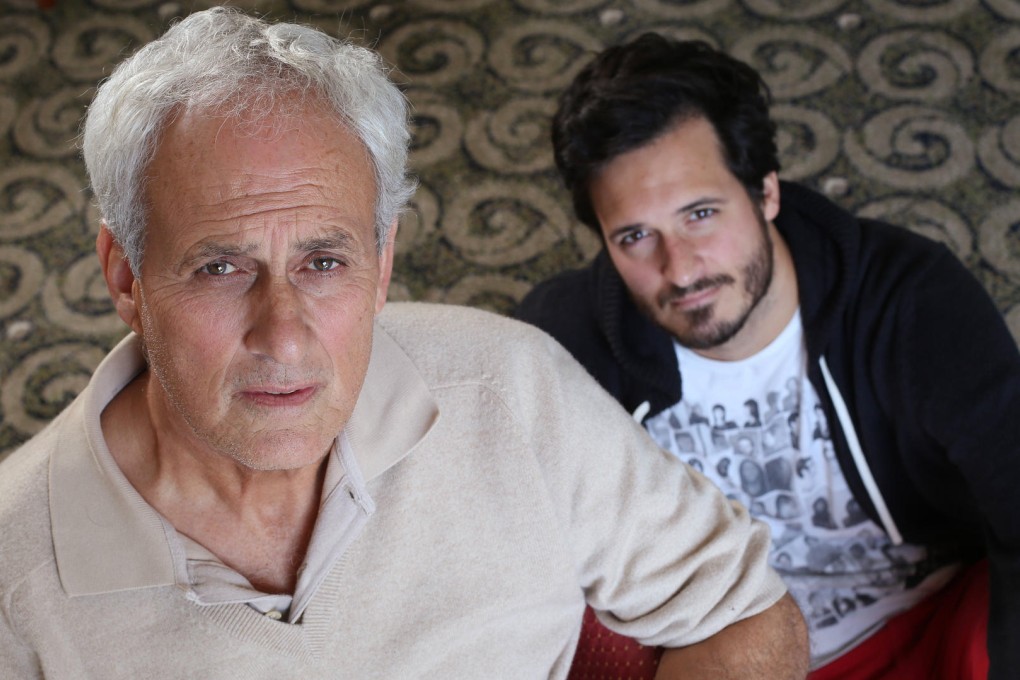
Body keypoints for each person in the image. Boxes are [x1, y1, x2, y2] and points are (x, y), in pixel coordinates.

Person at [0, 10, 809, 679]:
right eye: (220, 267)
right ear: (126, 277)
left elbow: (740, 613)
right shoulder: (14, 585)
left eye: (324, 263)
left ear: (383, 262)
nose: (284, 337)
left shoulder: (509, 387)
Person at [516, 33, 1020, 679]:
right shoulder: (561, 342)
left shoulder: (911, 298)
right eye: (636, 235)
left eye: (701, 213)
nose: (680, 268)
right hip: (721, 651)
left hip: (927, 618)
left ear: (766, 193)